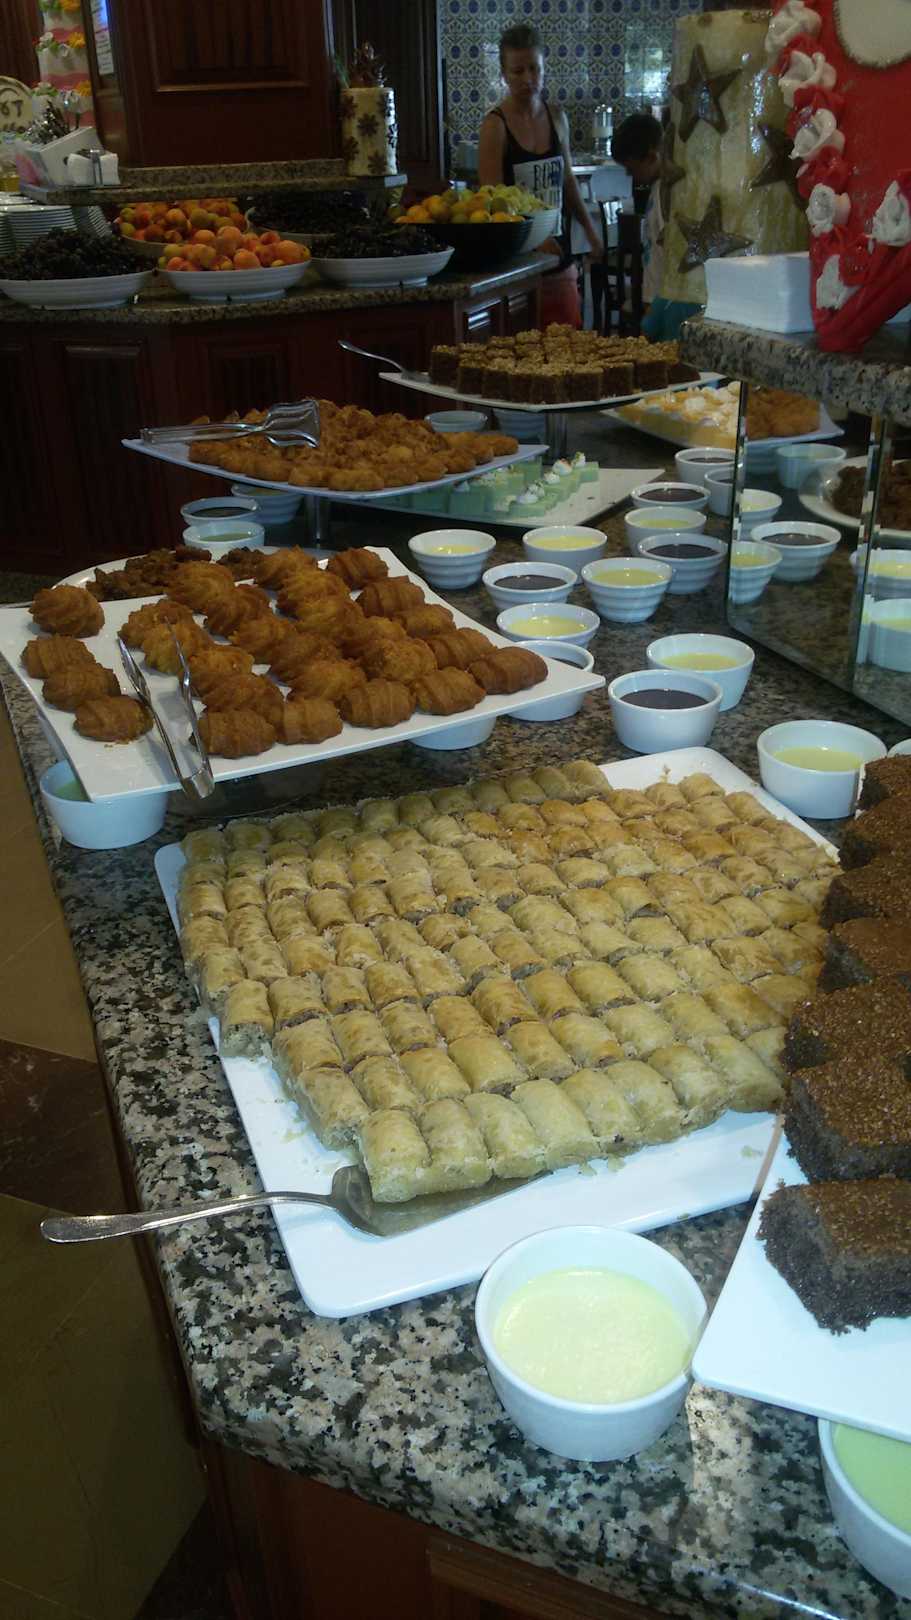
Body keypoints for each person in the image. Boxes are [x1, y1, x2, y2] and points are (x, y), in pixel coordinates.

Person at [478, 24, 602, 328]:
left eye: (534, 68)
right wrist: (535, 238)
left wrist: (590, 230)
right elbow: (492, 200)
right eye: (518, 70)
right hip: (516, 267)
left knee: (568, 343)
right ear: (504, 75)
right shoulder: (495, 126)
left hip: (559, 257)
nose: (528, 79)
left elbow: (568, 181)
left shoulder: (557, 117)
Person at [611, 111, 699, 342]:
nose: (631, 176)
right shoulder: (658, 188)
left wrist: (654, 305)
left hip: (666, 299)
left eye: (632, 169)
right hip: (659, 296)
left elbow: (667, 256)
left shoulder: (668, 194)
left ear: (652, 157)